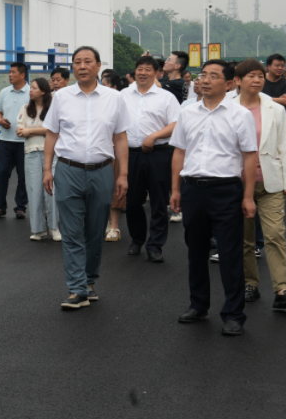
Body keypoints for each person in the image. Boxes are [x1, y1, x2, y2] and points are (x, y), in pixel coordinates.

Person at [170, 59, 258, 336]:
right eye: (203, 75)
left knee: (230, 253)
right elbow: (179, 152)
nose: (205, 80)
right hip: (193, 189)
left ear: (229, 83)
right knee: (195, 250)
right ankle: (198, 304)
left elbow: (249, 157)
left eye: (213, 76)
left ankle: (233, 314)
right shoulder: (188, 113)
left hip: (226, 190)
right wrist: (175, 189)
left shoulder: (240, 115)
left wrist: (248, 197)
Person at [43, 46, 131, 310]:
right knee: (71, 232)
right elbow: (52, 134)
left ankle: (90, 281)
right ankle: (77, 288)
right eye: (77, 62)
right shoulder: (61, 97)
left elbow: (120, 138)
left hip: (102, 171)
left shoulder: (114, 98)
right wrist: (47, 169)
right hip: (68, 170)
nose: (82, 66)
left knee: (95, 231)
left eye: (87, 61)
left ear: (98, 65)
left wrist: (123, 174)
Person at [232, 59, 286, 309]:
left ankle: (282, 290)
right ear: (237, 80)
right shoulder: (226, 107)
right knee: (244, 238)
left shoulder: (274, 108)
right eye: (251, 75)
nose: (257, 80)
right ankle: (250, 284)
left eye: (260, 76)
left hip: (270, 181)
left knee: (275, 235)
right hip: (236, 182)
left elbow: (284, 146)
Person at [122, 55, 182, 262]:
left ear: (157, 73)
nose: (143, 73)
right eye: (139, 68)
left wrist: (154, 136)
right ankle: (136, 239)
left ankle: (155, 245)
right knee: (132, 202)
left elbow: (176, 123)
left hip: (158, 154)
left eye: (148, 69)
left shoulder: (166, 97)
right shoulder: (123, 95)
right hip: (131, 154)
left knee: (158, 202)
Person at [17, 78, 59, 241]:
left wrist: (30, 131)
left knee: (52, 190)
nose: (31, 90)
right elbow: (20, 130)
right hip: (31, 153)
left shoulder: (53, 108)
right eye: (31, 88)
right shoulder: (25, 108)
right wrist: (39, 131)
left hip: (52, 153)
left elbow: (55, 129)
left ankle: (54, 228)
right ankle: (38, 229)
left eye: (34, 88)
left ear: (43, 91)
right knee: (34, 190)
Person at [0, 64, 30, 219]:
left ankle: (20, 206)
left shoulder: (31, 92)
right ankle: (0, 206)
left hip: (25, 142)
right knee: (1, 173)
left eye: (13, 72)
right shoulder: (4, 92)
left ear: (22, 75)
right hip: (5, 141)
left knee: (23, 176)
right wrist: (0, 120)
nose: (10, 75)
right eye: (9, 72)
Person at [101, 71, 129, 240]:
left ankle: (114, 227)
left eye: (104, 85)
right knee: (100, 190)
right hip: (100, 153)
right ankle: (103, 224)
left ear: (114, 87)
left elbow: (122, 134)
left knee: (115, 190)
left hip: (114, 151)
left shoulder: (119, 101)